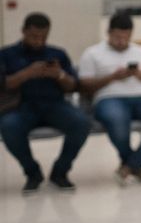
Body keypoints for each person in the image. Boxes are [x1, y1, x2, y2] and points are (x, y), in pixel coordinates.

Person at [78, 12, 141, 184]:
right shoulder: (92, 53)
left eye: (126, 37)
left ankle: (130, 165)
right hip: (109, 98)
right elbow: (84, 86)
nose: (121, 41)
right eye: (117, 37)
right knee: (117, 119)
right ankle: (135, 166)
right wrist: (112, 77)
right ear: (108, 32)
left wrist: (140, 75)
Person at [0, 13, 88, 193]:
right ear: (23, 31)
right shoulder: (6, 54)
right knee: (9, 127)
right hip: (20, 107)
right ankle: (32, 172)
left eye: (43, 37)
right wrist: (27, 73)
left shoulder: (57, 54)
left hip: (54, 104)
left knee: (81, 123)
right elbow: (4, 85)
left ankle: (60, 171)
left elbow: (73, 87)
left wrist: (60, 76)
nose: (39, 41)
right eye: (34, 36)